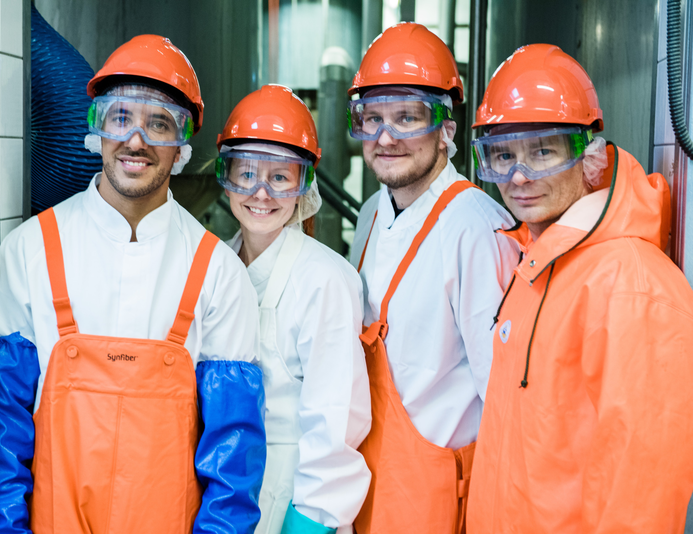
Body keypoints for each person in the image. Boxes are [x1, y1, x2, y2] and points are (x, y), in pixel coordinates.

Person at [0, 35, 266, 534]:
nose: (136, 140)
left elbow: (232, 460)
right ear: (97, 128)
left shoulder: (218, 272)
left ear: (182, 146)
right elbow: (7, 431)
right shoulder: (31, 249)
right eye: (120, 117)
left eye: (159, 123)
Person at [466, 43, 693, 533]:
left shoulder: (630, 284)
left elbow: (640, 500)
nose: (519, 175)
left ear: (588, 155)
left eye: (542, 151)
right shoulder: (535, 263)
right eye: (502, 155)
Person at [346, 23, 520, 533]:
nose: (386, 137)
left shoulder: (476, 227)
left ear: (446, 128)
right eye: (372, 118)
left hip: (436, 503)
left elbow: (503, 400)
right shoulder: (372, 213)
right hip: (368, 489)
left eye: (407, 117)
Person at [216, 84, 372, 534]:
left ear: (304, 185)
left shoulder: (325, 279)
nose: (261, 193)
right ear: (226, 176)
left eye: (280, 177)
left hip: (292, 493)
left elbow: (335, 421)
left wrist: (309, 522)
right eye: (246, 173)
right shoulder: (215, 267)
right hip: (222, 492)